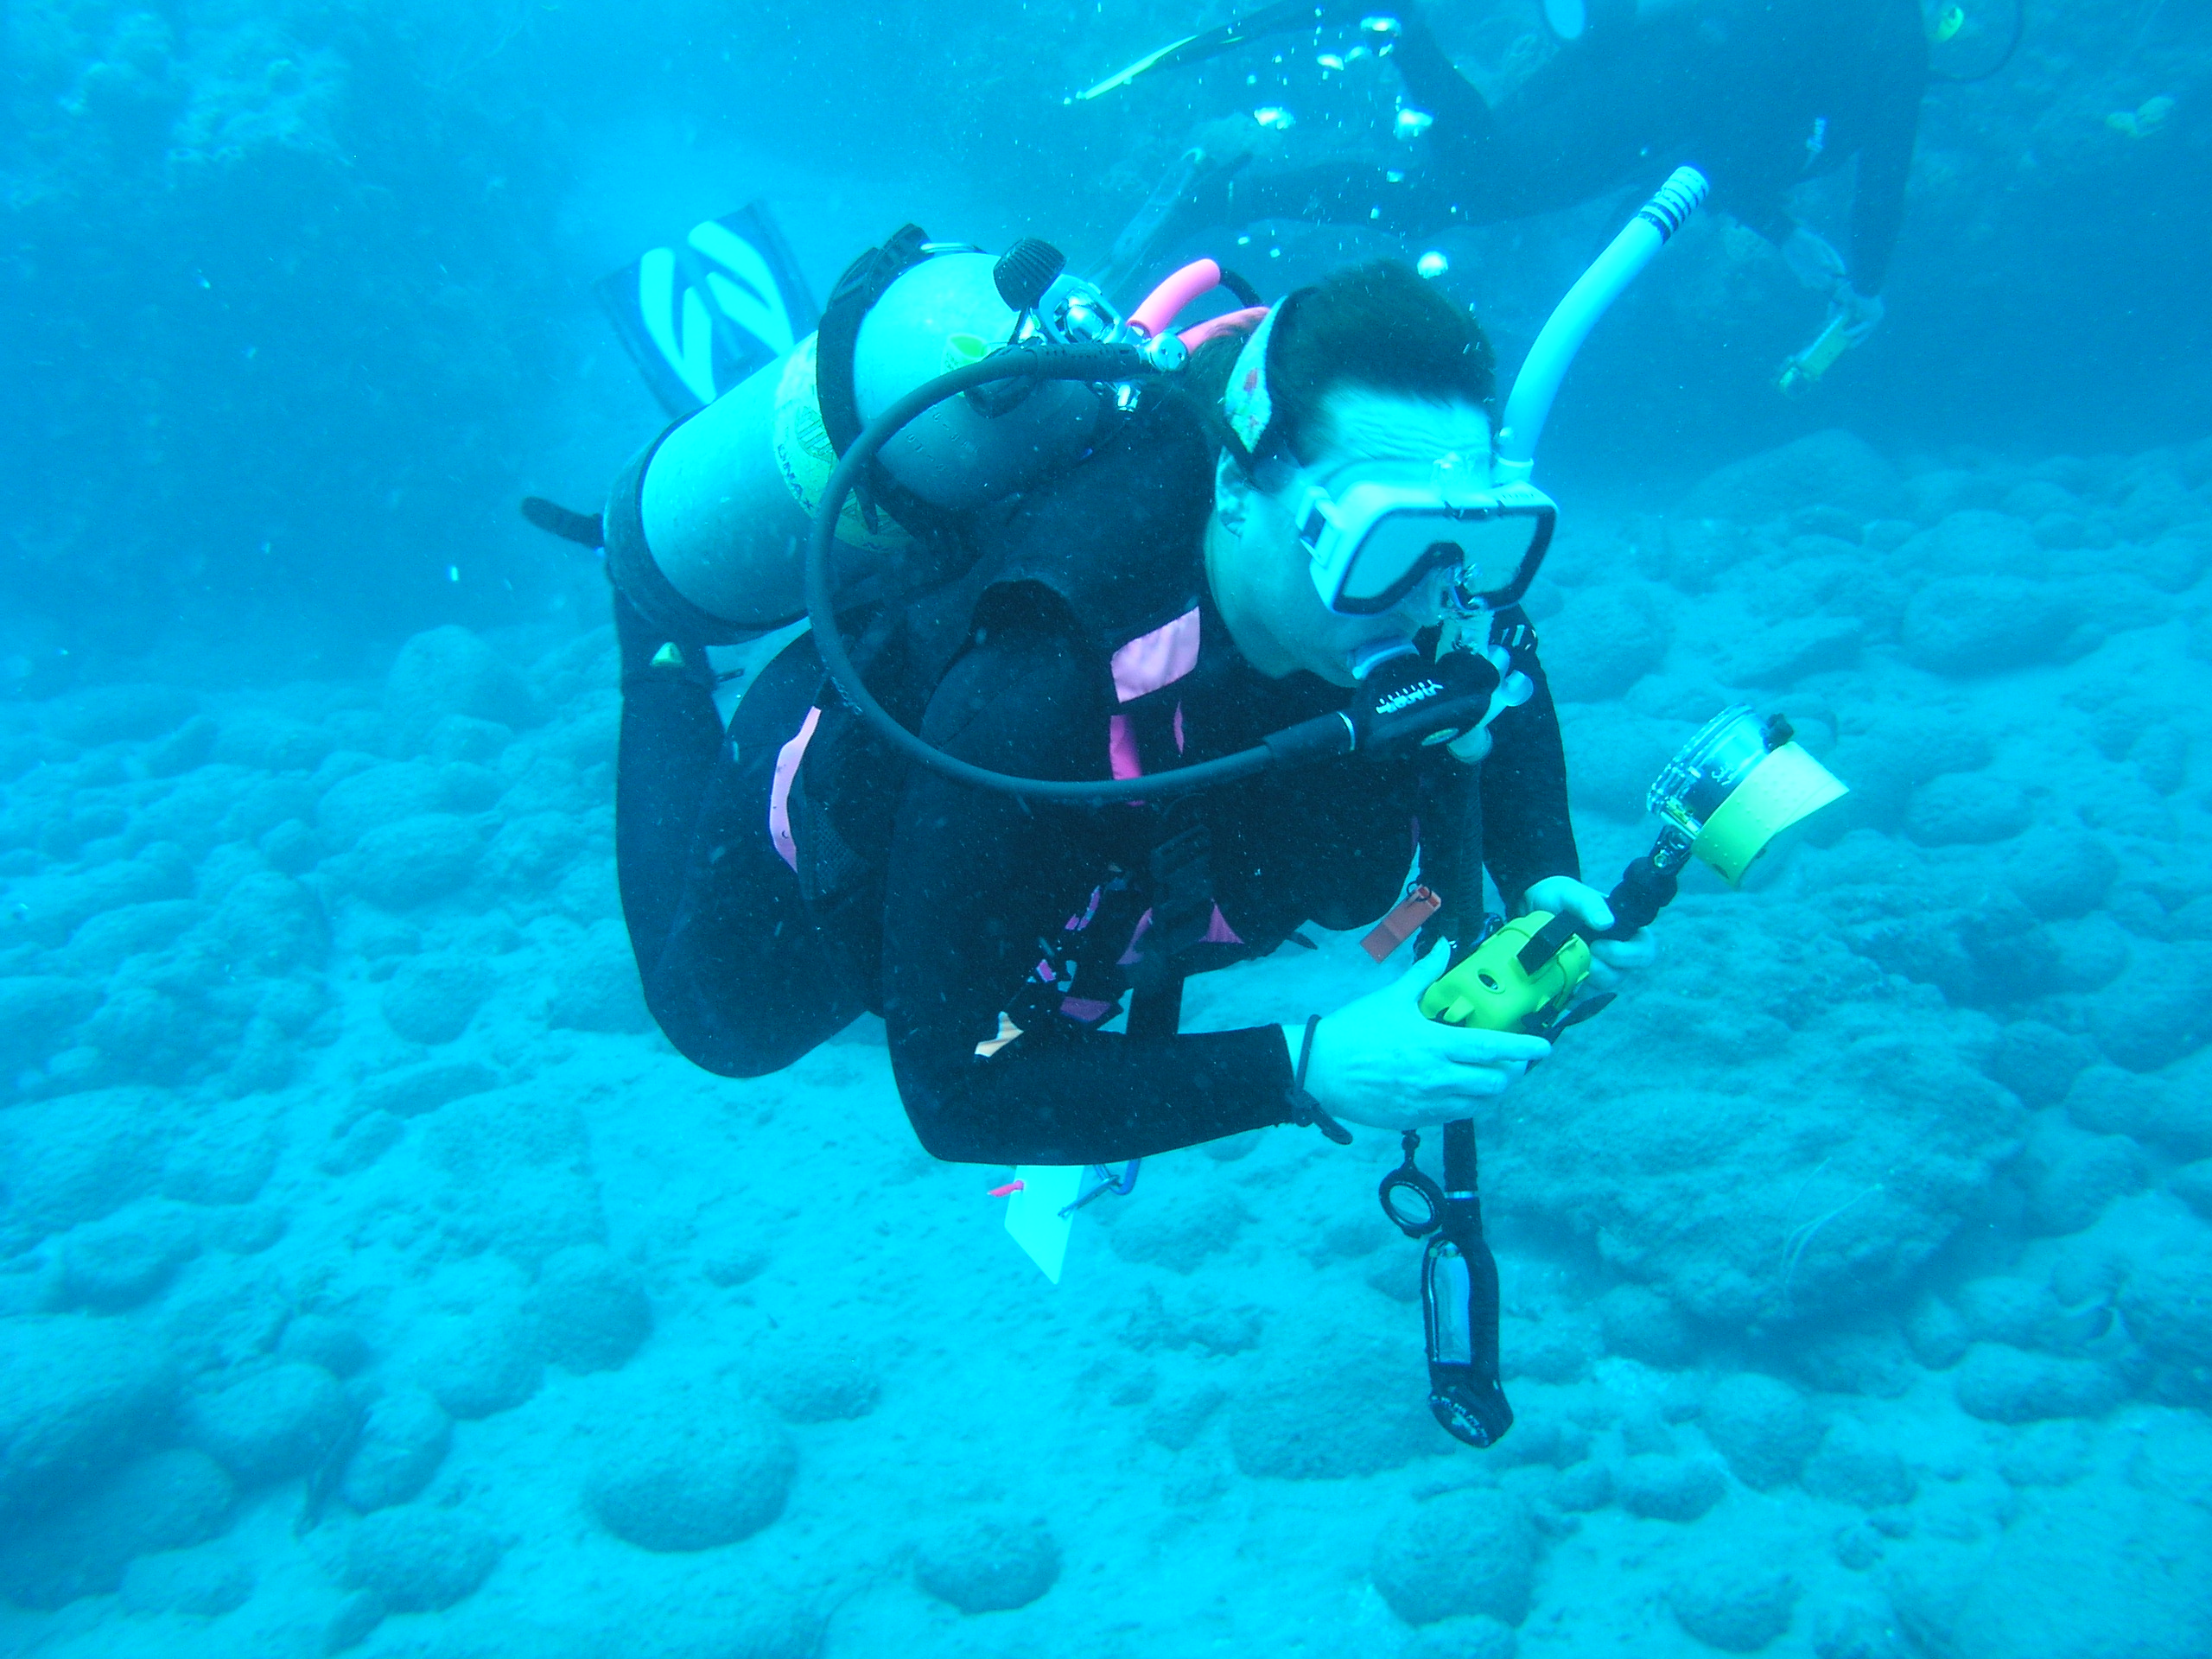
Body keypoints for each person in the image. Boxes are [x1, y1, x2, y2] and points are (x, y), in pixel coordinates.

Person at [607, 256, 1649, 1166]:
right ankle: (655, 639)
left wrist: (1541, 877)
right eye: (1380, 545)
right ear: (1236, 490)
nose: (1430, 603)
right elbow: (952, 1090)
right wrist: (1305, 1066)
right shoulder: (1038, 686)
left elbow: (1504, 677)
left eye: (1472, 542)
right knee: (723, 1023)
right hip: (859, 833)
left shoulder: (1438, 605)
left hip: (1138, 867)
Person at [1114, 0, 1926, 347]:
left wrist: (1782, 230)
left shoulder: (1861, 26)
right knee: (1473, 186)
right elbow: (1869, 166)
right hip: (1652, 94)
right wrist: (1868, 281)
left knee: (1441, 190)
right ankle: (1392, 23)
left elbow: (1745, 114)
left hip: (1639, 66)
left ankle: (1223, 194)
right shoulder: (1896, 36)